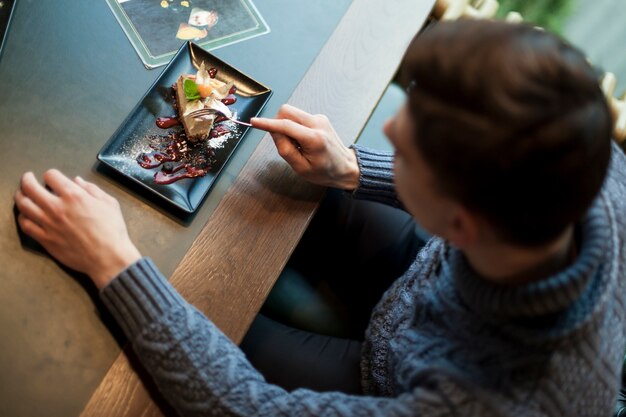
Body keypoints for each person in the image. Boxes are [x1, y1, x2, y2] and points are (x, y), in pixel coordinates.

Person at [13, 18, 626, 416]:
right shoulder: (588, 153)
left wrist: (115, 262)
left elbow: (245, 407)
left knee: (177, 301)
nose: (387, 127)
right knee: (267, 181)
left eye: (404, 150)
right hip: (431, 289)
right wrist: (354, 169)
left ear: (461, 224)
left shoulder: (493, 402)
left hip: (394, 381)